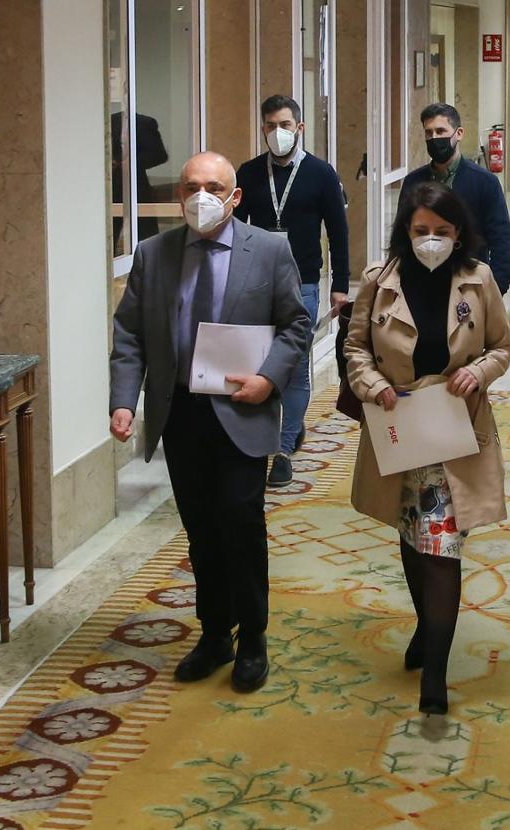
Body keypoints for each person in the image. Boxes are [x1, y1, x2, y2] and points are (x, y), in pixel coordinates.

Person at [109, 152, 311, 693]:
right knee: (201, 528)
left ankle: (254, 638)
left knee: (240, 523)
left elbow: (296, 326)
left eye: (214, 187)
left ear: (235, 196)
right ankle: (215, 633)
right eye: (192, 186)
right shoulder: (153, 254)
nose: (202, 196)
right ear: (179, 194)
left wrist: (269, 380)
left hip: (243, 406)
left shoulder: (268, 251)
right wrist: (125, 400)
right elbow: (129, 334)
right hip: (181, 413)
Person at [344, 182, 510, 718]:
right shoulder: (380, 281)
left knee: (441, 547)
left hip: (455, 434)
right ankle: (425, 628)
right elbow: (355, 348)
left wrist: (477, 371)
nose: (431, 241)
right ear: (405, 231)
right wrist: (372, 385)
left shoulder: (478, 279)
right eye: (421, 231)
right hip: (398, 431)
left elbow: (502, 347)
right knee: (411, 533)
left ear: (458, 233)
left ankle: (435, 673)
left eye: (442, 232)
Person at [235, 94, 351, 489]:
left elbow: (338, 232)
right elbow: (234, 232)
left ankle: (283, 450)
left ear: (299, 128)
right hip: (256, 284)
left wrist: (339, 286)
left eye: (285, 125)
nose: (277, 133)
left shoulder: (320, 174)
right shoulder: (249, 174)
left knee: (296, 366)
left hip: (301, 282)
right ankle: (273, 432)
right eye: (270, 125)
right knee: (261, 364)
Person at [398, 103, 510, 295]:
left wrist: (496, 288)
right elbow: (402, 236)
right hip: (422, 282)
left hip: (470, 282)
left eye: (441, 131)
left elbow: (501, 240)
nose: (434, 138)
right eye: (429, 133)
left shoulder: (485, 182)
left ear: (458, 133)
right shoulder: (413, 182)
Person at [111, 110, 170, 243]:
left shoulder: (145, 123)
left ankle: (151, 261)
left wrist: (129, 163)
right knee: (107, 234)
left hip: (136, 185)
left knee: (145, 233)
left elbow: (159, 154)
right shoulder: (109, 121)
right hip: (111, 185)